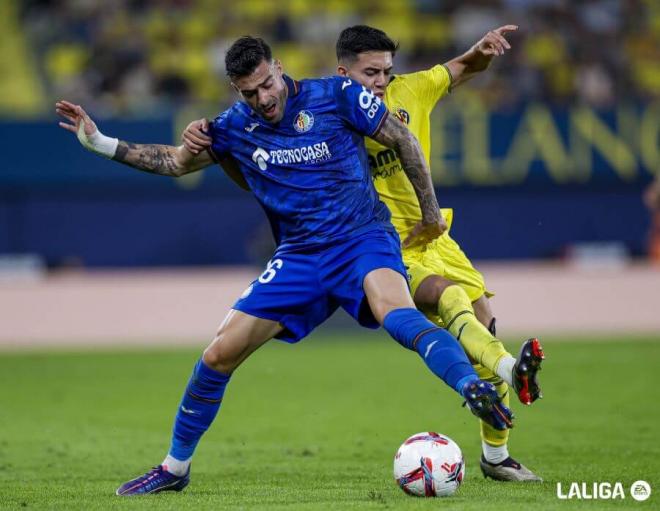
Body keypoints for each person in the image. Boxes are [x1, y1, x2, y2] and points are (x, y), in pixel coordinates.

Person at [56, 36, 513, 497]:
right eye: (249, 93)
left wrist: (431, 213)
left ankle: (472, 387)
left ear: (279, 67)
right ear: (237, 90)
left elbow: (402, 139)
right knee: (218, 354)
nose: (263, 99)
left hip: (362, 238)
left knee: (393, 308)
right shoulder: (233, 126)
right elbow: (174, 162)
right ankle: (175, 468)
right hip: (299, 257)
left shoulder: (336, 96)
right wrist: (98, 141)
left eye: (267, 85)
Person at [182, 25, 545, 482]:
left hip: (438, 236)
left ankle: (496, 454)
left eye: (386, 72)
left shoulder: (411, 89)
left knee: (484, 324)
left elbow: (462, 70)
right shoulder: (333, 107)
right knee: (446, 298)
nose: (380, 81)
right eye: (370, 72)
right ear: (343, 72)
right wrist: (208, 136)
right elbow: (252, 156)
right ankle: (511, 368)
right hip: (384, 240)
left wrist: (481, 50)